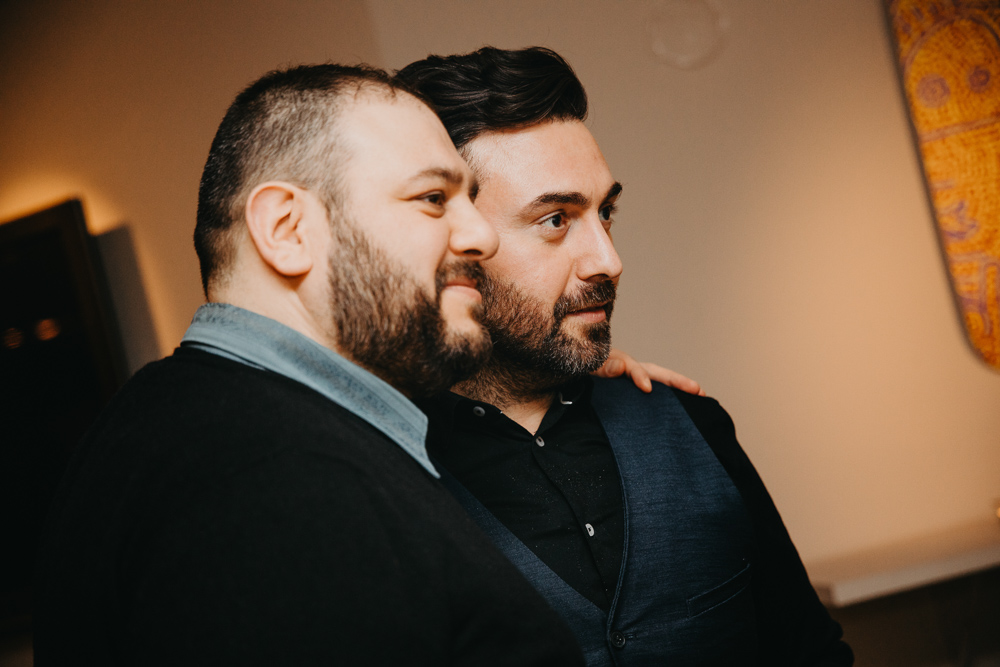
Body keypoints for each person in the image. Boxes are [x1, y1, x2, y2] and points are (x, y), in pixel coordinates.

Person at [33, 63, 588, 666]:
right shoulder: (274, 486)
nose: (482, 236)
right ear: (287, 229)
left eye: (471, 201)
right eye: (433, 199)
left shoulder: (175, 422)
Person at [397, 47, 855, 666]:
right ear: (453, 239)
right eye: (555, 219)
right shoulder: (379, 471)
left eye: (605, 212)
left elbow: (810, 652)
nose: (608, 261)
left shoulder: (689, 423)